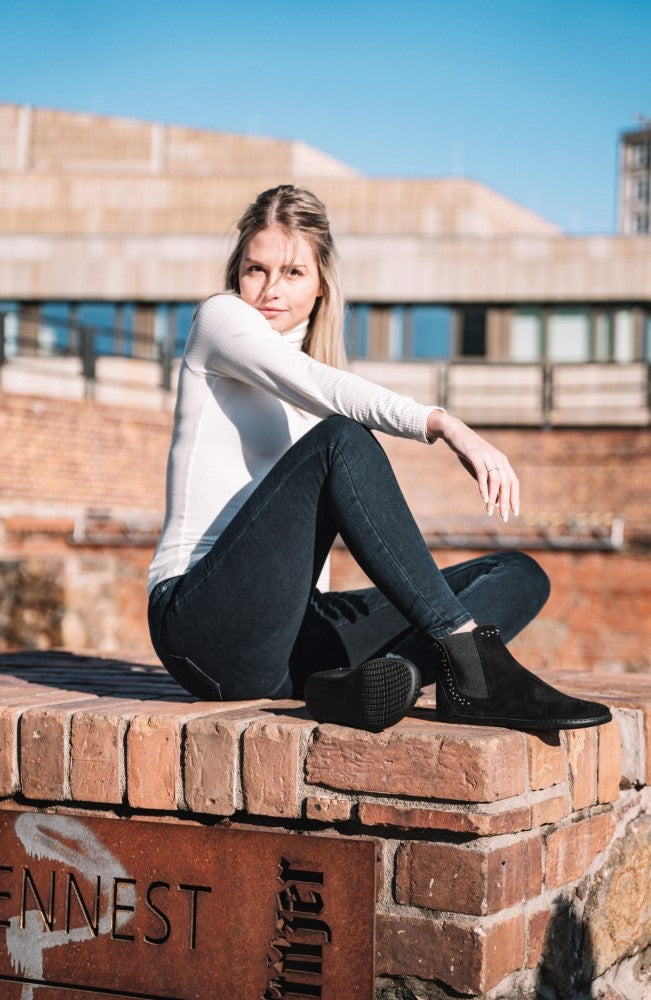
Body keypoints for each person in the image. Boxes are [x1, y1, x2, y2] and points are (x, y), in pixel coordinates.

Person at [147, 184, 610, 733]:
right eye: (256, 270)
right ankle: (472, 669)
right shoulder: (219, 321)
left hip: (286, 640)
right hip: (199, 624)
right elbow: (314, 382)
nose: (270, 289)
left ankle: (389, 678)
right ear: (238, 274)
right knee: (344, 438)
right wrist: (444, 424)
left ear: (321, 285)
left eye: (293, 273)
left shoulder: (314, 389)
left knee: (517, 573)